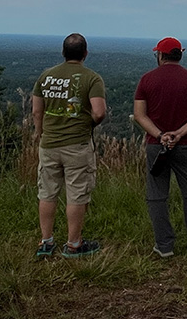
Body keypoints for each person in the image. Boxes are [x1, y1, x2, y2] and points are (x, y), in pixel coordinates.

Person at [134, 37, 187, 257]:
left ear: (160, 55)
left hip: (156, 145)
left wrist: (160, 135)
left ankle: (164, 245)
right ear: (180, 54)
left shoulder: (147, 80)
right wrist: (179, 133)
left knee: (157, 194)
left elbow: (140, 115)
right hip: (185, 144)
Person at [32, 33, 107, 258]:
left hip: (49, 143)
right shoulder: (92, 78)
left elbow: (37, 110)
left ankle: (46, 242)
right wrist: (90, 123)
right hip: (77, 144)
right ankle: (74, 244)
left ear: (63, 53)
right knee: (77, 194)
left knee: (47, 192)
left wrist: (41, 134)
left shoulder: (46, 76)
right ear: (85, 53)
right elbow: (99, 111)